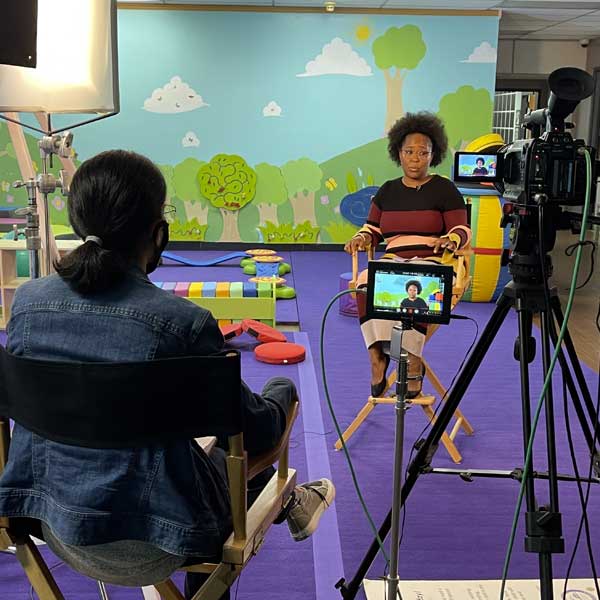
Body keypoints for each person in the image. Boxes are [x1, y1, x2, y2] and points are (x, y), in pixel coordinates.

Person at [0, 150, 335, 599]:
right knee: (258, 414)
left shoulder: (27, 304)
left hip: (50, 524)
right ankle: (288, 504)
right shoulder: (182, 322)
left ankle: (287, 503)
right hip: (167, 537)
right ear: (159, 233)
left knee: (200, 446)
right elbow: (256, 430)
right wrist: (281, 395)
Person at [344, 112, 471, 398]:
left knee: (415, 288)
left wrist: (451, 239)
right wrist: (361, 237)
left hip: (431, 261)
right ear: (398, 154)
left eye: (423, 153)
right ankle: (377, 356)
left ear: (433, 155)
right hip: (394, 260)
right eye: (409, 152)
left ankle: (413, 360)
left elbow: (462, 228)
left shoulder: (444, 189)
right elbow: (373, 229)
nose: (415, 158)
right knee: (366, 281)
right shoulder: (387, 191)